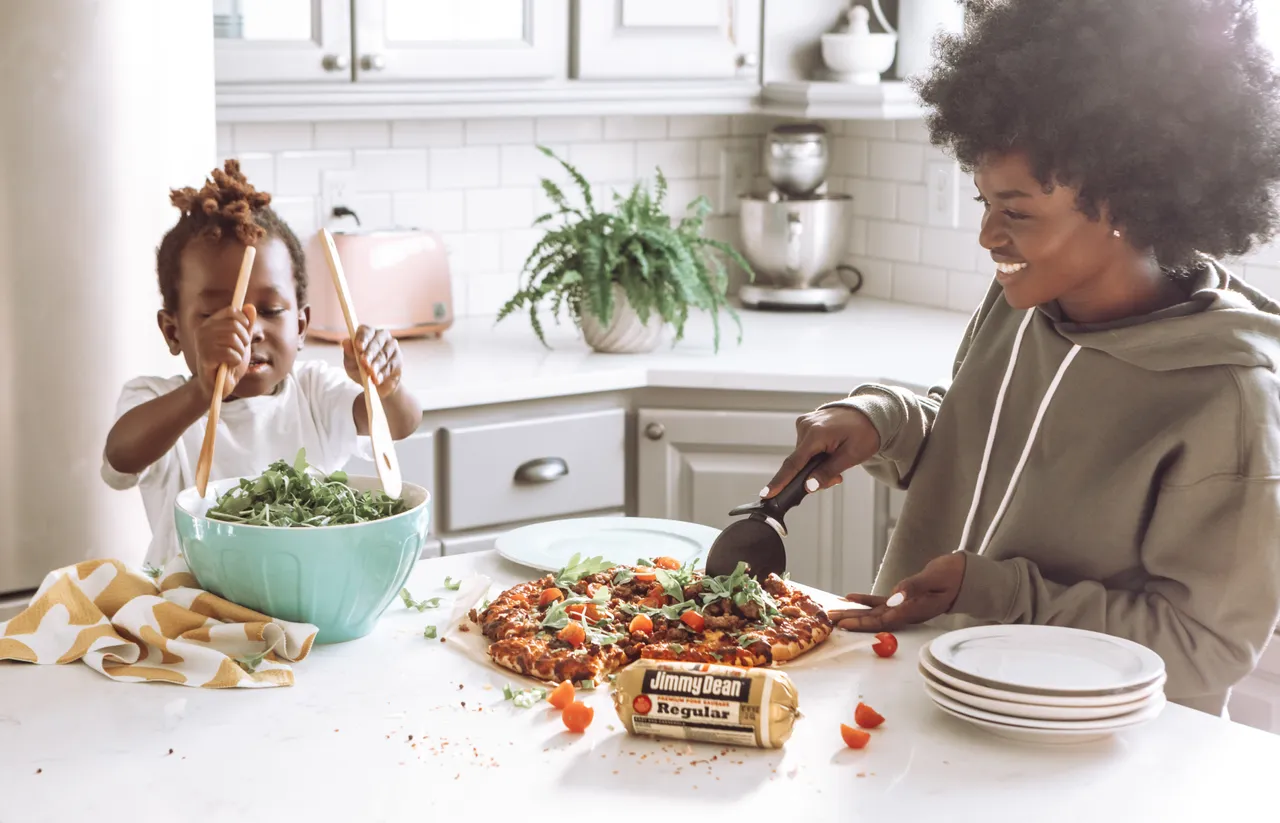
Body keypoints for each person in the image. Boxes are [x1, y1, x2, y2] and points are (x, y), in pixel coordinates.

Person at [763, 0, 1280, 716]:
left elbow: (1203, 650)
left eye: (1017, 212)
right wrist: (885, 420)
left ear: (1123, 203)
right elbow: (987, 442)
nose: (986, 237)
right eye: (982, 202)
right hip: (921, 699)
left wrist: (997, 593)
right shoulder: (1024, 301)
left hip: (1089, 764)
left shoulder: (1225, 394)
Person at [102, 160, 422, 569]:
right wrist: (202, 389)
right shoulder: (159, 400)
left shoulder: (314, 393)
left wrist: (386, 386)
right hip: (193, 609)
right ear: (173, 331)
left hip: (308, 595)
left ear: (301, 326)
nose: (248, 331)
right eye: (218, 316)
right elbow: (120, 458)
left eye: (270, 310)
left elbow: (400, 424)